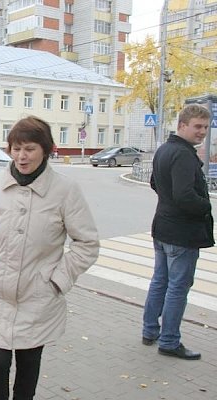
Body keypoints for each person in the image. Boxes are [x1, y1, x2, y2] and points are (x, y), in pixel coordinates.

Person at [0, 116, 99, 400]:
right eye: (16, 148)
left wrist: (58, 280)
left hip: (37, 297)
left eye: (30, 149)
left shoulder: (65, 190)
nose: (21, 156)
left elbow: (87, 243)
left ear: (46, 150)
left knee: (28, 367)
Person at [142, 104, 213, 360]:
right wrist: (206, 206)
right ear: (182, 125)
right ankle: (170, 341)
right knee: (177, 287)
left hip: (163, 228)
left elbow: (154, 183)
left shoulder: (165, 149)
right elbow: (185, 196)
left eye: (205, 127)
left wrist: (170, 201)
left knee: (160, 281)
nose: (202, 132)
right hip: (181, 233)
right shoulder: (183, 154)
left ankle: (150, 330)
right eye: (197, 126)